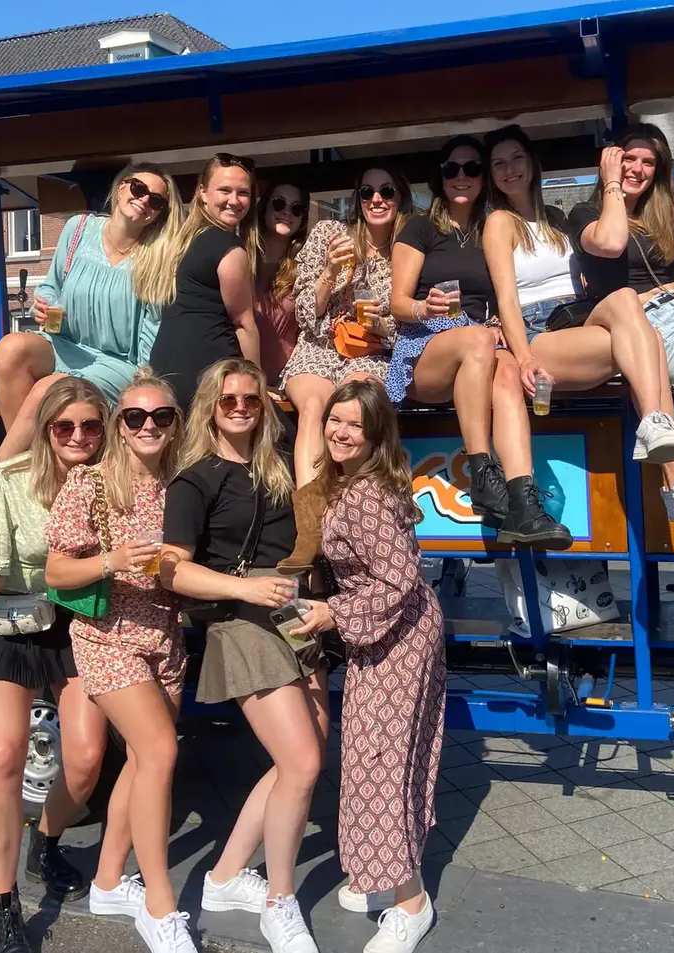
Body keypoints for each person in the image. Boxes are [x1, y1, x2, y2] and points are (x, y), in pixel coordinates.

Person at [0, 163, 183, 542]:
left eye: (156, 201)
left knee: (46, 390)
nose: (144, 201)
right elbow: (51, 289)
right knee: (9, 349)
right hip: (66, 344)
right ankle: (28, 474)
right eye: (138, 189)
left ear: (159, 214)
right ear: (121, 188)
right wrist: (46, 307)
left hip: (119, 363)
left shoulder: (157, 258)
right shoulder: (78, 229)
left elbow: (149, 344)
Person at [159, 358, 327, 953]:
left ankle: (227, 875)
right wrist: (244, 589)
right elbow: (171, 570)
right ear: (210, 407)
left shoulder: (276, 465)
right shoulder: (193, 481)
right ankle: (281, 903)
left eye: (250, 400)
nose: (239, 408)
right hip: (241, 618)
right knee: (301, 762)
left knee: (302, 756)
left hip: (293, 614)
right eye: (227, 400)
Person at [0, 377, 111, 953]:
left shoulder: (112, 480)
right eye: (64, 426)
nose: (78, 436)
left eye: (91, 426)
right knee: (3, 755)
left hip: (77, 618)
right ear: (45, 429)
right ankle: (3, 903)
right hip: (7, 617)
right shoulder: (8, 480)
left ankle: (45, 840)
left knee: (86, 761)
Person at [291, 379, 444, 953]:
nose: (340, 432)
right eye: (335, 420)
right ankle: (382, 873)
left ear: (376, 434)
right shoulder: (350, 484)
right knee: (374, 757)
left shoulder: (368, 495)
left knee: (380, 762)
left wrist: (332, 612)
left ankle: (411, 903)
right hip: (388, 633)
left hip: (399, 636)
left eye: (355, 424)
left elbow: (399, 579)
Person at [44, 370, 190, 953]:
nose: (148, 425)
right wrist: (112, 560)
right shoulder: (92, 484)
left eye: (161, 415)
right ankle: (160, 905)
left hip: (166, 637)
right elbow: (56, 572)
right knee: (160, 752)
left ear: (176, 424)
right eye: (135, 416)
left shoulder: (183, 482)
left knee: (141, 762)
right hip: (108, 637)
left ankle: (108, 880)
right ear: (120, 426)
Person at [555, 124, 674, 520]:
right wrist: (612, 183)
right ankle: (658, 432)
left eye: (648, 162)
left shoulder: (661, 218)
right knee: (628, 301)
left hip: (665, 320)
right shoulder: (586, 213)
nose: (638, 169)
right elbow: (610, 243)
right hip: (610, 317)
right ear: (611, 161)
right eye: (628, 158)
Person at [389, 134, 570, 549]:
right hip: (425, 347)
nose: (461, 176)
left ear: (483, 176)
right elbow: (398, 302)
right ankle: (483, 472)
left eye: (472, 168)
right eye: (451, 168)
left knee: (507, 372)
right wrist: (424, 308)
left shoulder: (492, 227)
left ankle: (524, 504)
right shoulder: (421, 227)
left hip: (481, 340)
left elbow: (507, 293)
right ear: (439, 176)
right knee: (478, 341)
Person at [277, 165, 412, 573]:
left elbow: (410, 325)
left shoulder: (408, 248)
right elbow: (305, 314)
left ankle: (351, 519)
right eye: (367, 191)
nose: (376, 199)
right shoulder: (328, 234)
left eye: (386, 191)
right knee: (314, 408)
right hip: (319, 346)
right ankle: (309, 532)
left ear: (400, 197)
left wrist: (382, 326)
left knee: (356, 409)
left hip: (370, 351)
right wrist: (330, 272)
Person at [150, 153, 261, 411]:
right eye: (225, 190)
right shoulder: (228, 247)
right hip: (209, 373)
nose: (234, 200)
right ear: (203, 193)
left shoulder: (182, 241)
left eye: (243, 193)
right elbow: (243, 324)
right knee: (281, 430)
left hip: (165, 370)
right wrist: (257, 386)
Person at [256, 182, 309, 387]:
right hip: (241, 382)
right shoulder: (240, 260)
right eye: (279, 204)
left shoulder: (306, 268)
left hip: (286, 384)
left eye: (297, 208)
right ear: (264, 209)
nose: (287, 212)